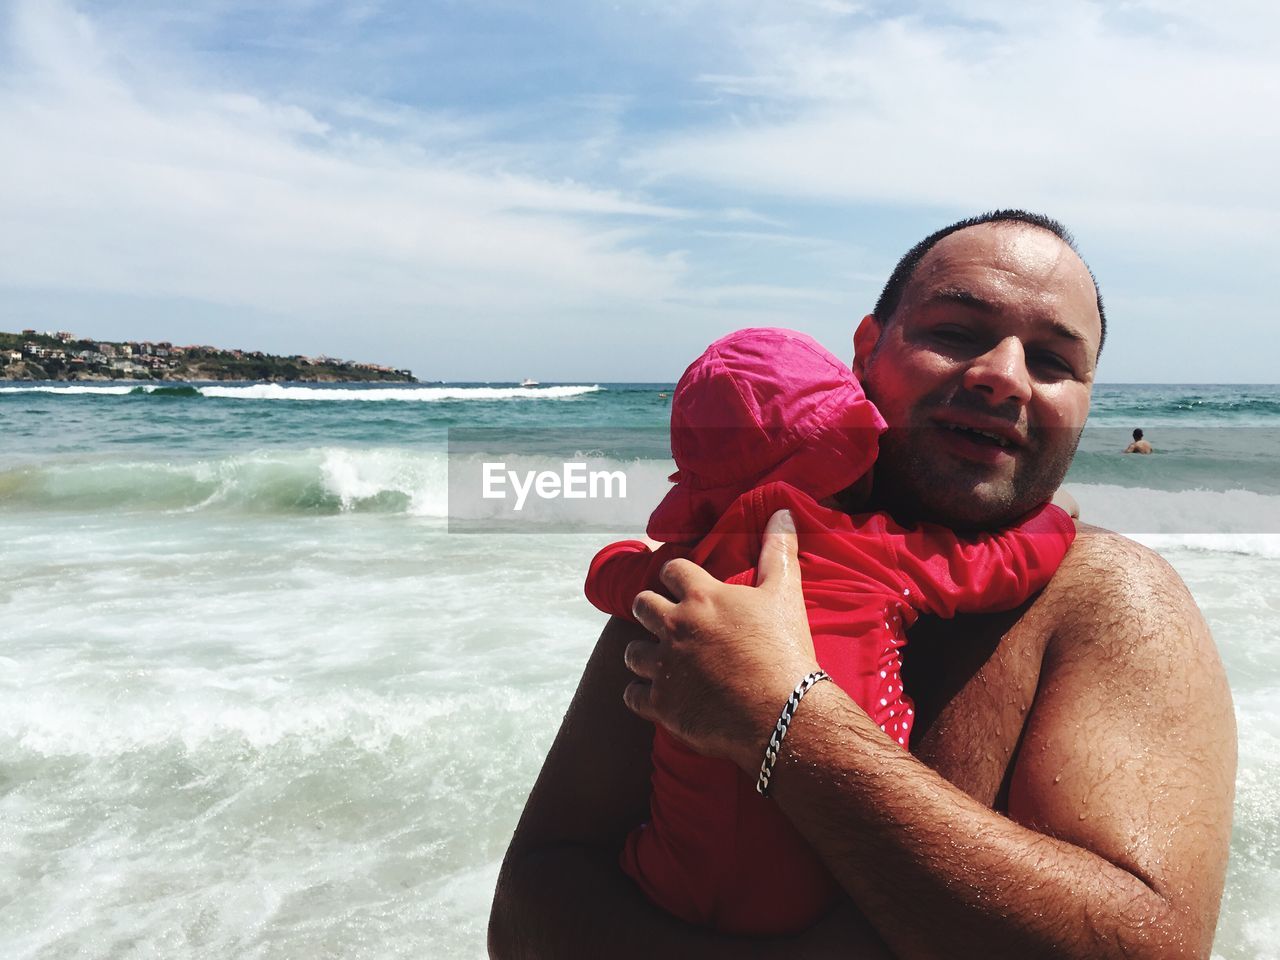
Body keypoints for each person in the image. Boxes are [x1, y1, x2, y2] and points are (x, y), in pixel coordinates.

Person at [489, 211, 1236, 959]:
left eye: (1052, 361)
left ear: (1085, 402)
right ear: (865, 350)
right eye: (955, 332)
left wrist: (785, 717)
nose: (1004, 377)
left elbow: (1150, 947)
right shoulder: (708, 584)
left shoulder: (1110, 596)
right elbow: (532, 909)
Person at [584, 327, 1076, 935]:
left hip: (667, 880)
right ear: (853, 459)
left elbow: (603, 577)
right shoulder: (875, 548)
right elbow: (1003, 565)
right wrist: (1056, 517)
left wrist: (635, 554)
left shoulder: (685, 573)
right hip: (824, 878)